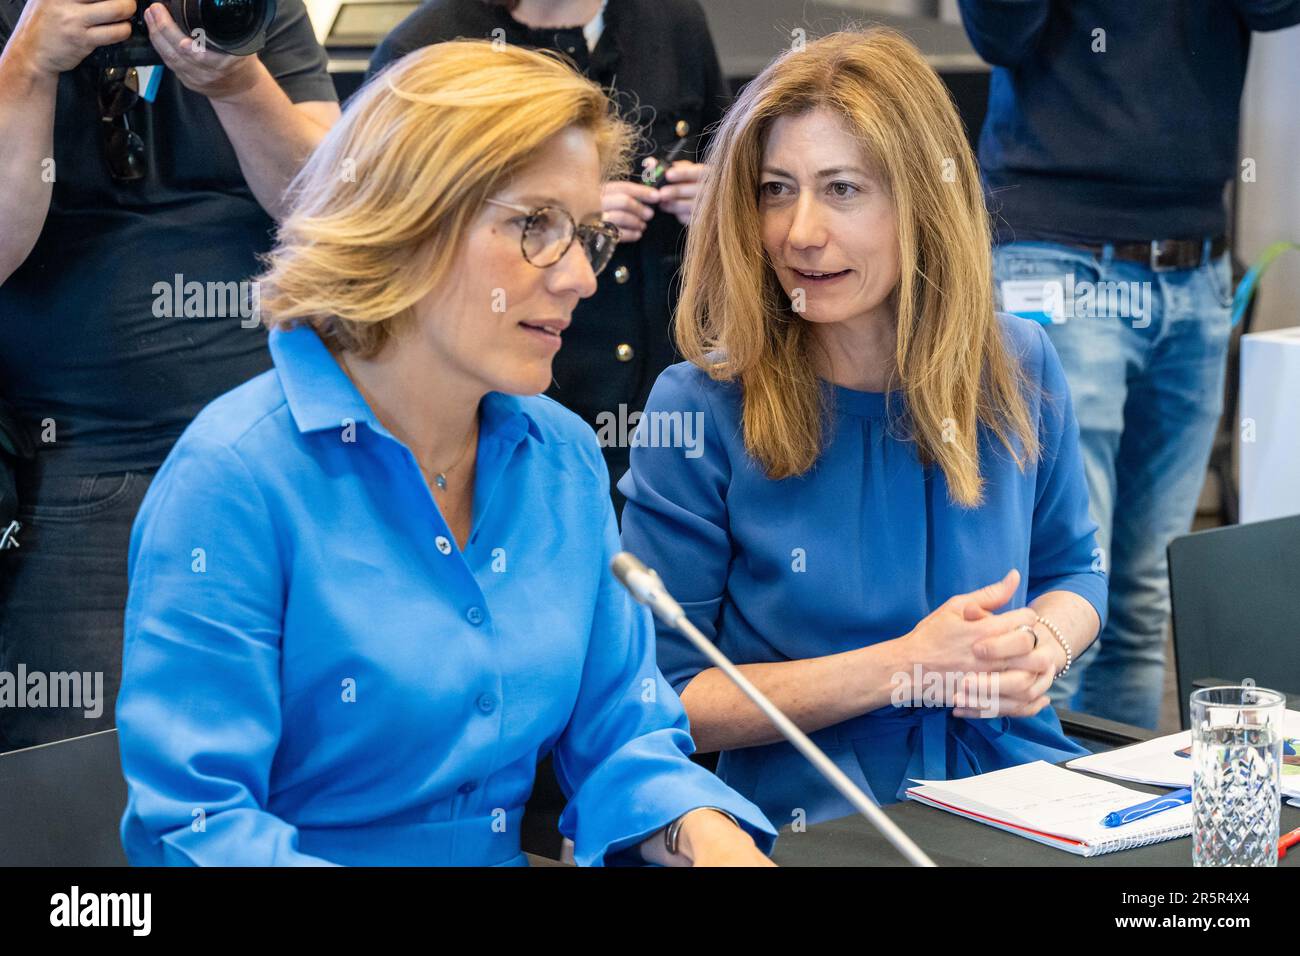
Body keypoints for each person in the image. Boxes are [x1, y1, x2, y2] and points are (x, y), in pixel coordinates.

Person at [116, 40, 776, 866]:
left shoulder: (563, 458)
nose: (579, 276)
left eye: (586, 236)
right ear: (409, 223)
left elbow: (625, 737)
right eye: (535, 226)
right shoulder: (234, 478)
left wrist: (698, 831)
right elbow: (199, 826)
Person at [618, 29, 1109, 827]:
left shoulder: (1019, 362)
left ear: (923, 201)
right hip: (816, 816)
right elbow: (667, 694)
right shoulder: (699, 409)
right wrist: (907, 668)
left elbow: (1075, 573)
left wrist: (1041, 649)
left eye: (841, 189)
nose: (799, 232)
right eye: (777, 189)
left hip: (1018, 795)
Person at [0, 0, 339, 749]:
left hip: (279, 458)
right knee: (82, 780)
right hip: (78, 464)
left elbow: (336, 219)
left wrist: (239, 86)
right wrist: (27, 65)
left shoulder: (243, 9)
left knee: (305, 757)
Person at [958, 0, 1300, 729]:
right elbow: (999, 31)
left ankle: (1115, 811)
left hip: (1194, 257)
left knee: (1144, 592)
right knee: (1063, 583)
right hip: (1057, 254)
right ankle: (1034, 805)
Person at [365, 0, 731, 512]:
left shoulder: (673, 20)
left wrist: (722, 199)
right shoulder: (425, 46)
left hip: (659, 394)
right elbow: (387, 231)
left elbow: (726, 160)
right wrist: (570, 213)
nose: (579, 274)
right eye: (533, 222)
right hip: (514, 407)